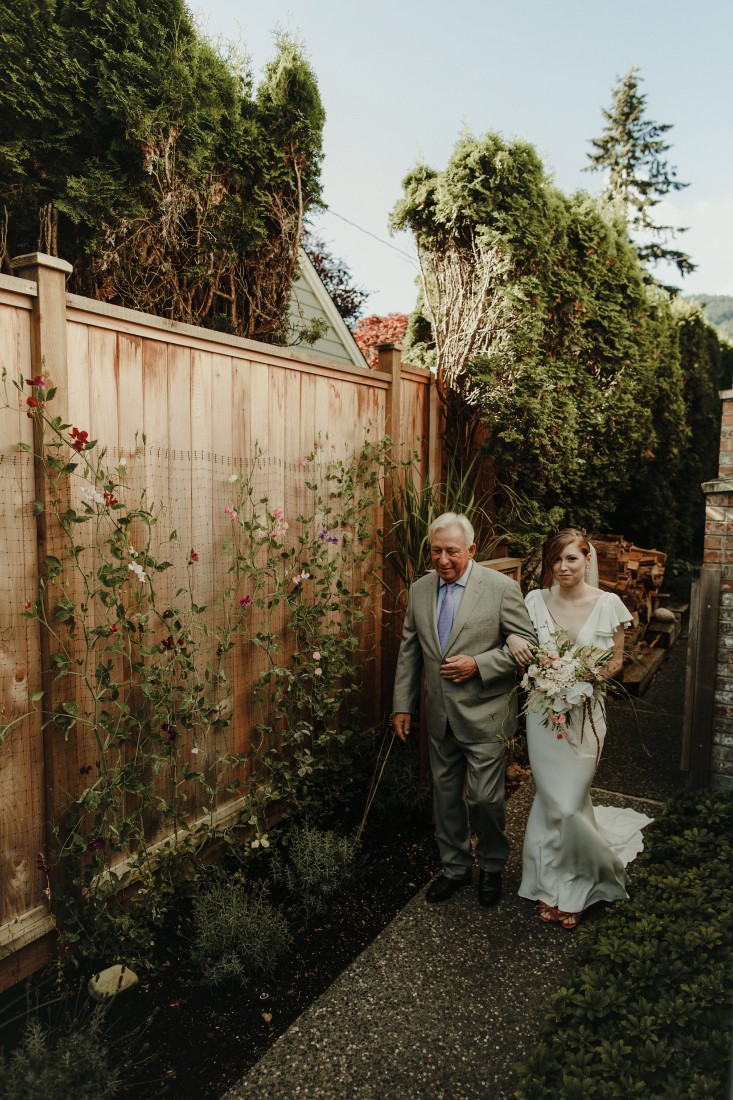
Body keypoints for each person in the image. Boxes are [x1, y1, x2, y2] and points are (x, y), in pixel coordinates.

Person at [507, 528, 651, 930]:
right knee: (553, 799)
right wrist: (524, 653)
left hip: (587, 715)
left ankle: (582, 883)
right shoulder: (534, 601)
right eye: (556, 559)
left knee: (570, 802)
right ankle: (547, 882)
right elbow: (519, 642)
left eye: (571, 558)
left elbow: (617, 662)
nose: (563, 566)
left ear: (588, 559)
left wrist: (581, 675)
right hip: (542, 716)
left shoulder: (609, 604)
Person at [392, 512, 536, 906]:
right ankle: (454, 869)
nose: (442, 560)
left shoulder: (502, 588)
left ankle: (491, 867)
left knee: (487, 800)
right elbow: (410, 652)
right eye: (435, 550)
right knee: (446, 798)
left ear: (471, 550)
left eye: (451, 551)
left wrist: (480, 665)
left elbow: (525, 643)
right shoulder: (420, 590)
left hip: (486, 714)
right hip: (439, 717)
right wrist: (403, 706)